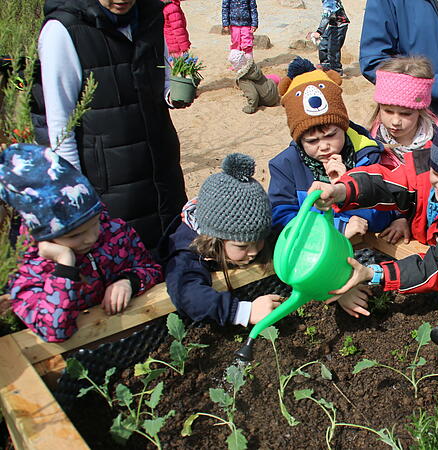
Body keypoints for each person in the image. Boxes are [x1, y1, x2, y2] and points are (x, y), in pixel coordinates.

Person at [309, 113, 438, 317]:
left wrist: (373, 273)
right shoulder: (424, 171)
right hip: (428, 243)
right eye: (437, 174)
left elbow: (433, 268)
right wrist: (340, 191)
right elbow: (384, 183)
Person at [38, 0, 189, 251]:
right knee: (125, 260)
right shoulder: (64, 31)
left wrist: (172, 94)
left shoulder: (151, 15)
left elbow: (161, 78)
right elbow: (60, 126)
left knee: (174, 253)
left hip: (163, 174)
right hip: (109, 184)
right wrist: (79, 197)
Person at [2, 144, 162, 342]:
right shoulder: (28, 271)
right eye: (74, 235)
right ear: (42, 236)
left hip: (136, 338)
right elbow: (54, 331)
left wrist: (129, 281)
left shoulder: (114, 233)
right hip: (80, 351)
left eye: (94, 224)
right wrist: (64, 266)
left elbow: (151, 268)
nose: (90, 238)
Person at [268, 58, 395, 239]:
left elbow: (384, 215)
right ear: (299, 140)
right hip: (315, 249)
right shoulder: (285, 165)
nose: (324, 146)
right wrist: (336, 227)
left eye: (331, 135)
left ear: (343, 127)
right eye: (312, 141)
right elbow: (282, 221)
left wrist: (346, 189)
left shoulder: (368, 154)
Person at [165, 153, 282, 326]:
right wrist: (243, 312)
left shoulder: (255, 230)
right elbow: (188, 294)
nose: (253, 251)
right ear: (214, 240)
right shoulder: (187, 251)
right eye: (242, 246)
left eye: (258, 240)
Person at [368, 56, 438, 170]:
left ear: (420, 110)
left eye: (406, 114)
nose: (395, 121)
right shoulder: (371, 144)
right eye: (388, 111)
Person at [230, 50, 281, 114]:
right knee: (268, 79)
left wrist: (251, 108)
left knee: (250, 91)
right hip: (274, 91)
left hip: (268, 100)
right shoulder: (253, 67)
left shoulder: (242, 79)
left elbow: (253, 95)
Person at [308, 0, 350, 75]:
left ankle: (336, 70)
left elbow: (326, 17)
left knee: (333, 49)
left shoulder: (329, 2)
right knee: (323, 44)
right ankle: (326, 65)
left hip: (340, 26)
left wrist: (319, 31)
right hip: (332, 25)